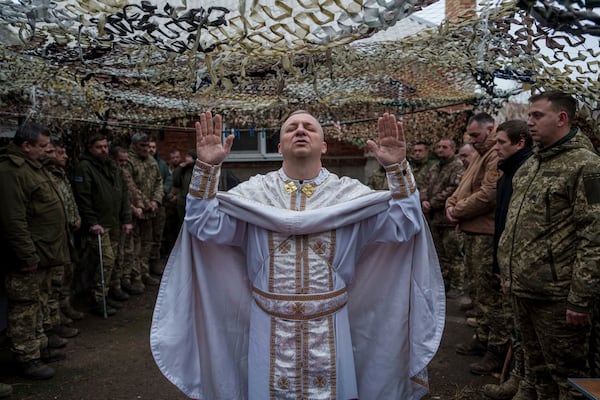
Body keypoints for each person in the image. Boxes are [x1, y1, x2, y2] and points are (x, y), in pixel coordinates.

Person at [151, 111, 445, 399]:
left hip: (332, 322)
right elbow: (203, 225)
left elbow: (405, 224)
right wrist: (206, 167)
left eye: (309, 127)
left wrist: (397, 169)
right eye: (291, 128)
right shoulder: (253, 194)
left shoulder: (351, 196)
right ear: (279, 147)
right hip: (268, 325)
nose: (300, 130)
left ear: (324, 145)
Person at [498, 91, 600, 399]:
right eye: (529, 115)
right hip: (523, 288)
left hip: (557, 297)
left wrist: (580, 298)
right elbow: (515, 224)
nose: (529, 122)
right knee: (537, 373)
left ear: (562, 118)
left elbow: (594, 235)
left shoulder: (587, 166)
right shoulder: (530, 166)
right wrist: (508, 273)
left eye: (537, 115)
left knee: (569, 378)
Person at [0, 121, 69, 379]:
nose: (46, 151)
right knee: (25, 308)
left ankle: (39, 348)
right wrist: (26, 255)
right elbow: (13, 219)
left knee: (38, 302)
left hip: (44, 252)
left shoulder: (33, 167)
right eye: (42, 146)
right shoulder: (10, 172)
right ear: (26, 145)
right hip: (27, 256)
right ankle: (26, 357)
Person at [446, 113, 511, 376]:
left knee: (489, 296)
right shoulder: (481, 154)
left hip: (485, 233)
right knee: (479, 291)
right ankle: (483, 338)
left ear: (490, 129)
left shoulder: (494, 155)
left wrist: (457, 209)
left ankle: (495, 349)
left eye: (475, 135)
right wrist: (453, 203)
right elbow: (464, 186)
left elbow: (488, 194)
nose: (472, 140)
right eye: (470, 136)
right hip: (473, 230)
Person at [479, 120, 535, 400]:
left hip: (527, 267)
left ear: (520, 143)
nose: (495, 146)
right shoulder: (509, 173)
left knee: (527, 331)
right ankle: (519, 379)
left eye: (501, 142)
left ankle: (525, 382)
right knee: (519, 328)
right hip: (508, 262)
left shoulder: (525, 172)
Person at [73, 134, 133, 316]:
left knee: (114, 258)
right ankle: (98, 298)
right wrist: (92, 222)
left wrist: (126, 218)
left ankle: (108, 291)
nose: (104, 150)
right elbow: (83, 197)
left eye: (106, 146)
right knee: (105, 260)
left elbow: (122, 193)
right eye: (99, 147)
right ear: (90, 148)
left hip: (114, 220)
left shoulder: (112, 166)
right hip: (99, 224)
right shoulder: (85, 167)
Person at [43, 137, 82, 340]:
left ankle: (63, 310)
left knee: (65, 275)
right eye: (59, 152)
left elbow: (68, 200)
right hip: (50, 239)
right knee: (53, 282)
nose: (64, 156)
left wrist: (75, 218)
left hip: (65, 234)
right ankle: (52, 323)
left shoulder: (60, 174)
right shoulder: (44, 175)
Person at [421, 139, 465, 299]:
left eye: (444, 147)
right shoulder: (434, 167)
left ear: (453, 149)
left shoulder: (458, 167)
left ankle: (457, 285)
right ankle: (444, 283)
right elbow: (425, 185)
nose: (440, 150)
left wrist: (432, 203)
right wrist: (424, 199)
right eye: (438, 147)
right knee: (440, 255)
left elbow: (453, 189)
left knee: (453, 253)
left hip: (447, 219)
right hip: (433, 218)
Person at [127, 133, 164, 289]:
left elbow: (158, 181)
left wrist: (156, 200)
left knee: (147, 243)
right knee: (135, 246)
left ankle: (145, 272)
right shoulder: (129, 161)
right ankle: (135, 276)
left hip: (150, 210)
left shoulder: (151, 160)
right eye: (142, 146)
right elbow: (130, 185)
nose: (146, 149)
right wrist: (144, 203)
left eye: (147, 146)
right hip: (136, 210)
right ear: (134, 145)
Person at [148, 140, 171, 272]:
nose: (151, 149)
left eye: (153, 147)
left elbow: (168, 179)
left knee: (157, 236)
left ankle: (155, 263)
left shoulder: (161, 164)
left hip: (159, 204)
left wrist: (162, 193)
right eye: (149, 147)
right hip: (144, 205)